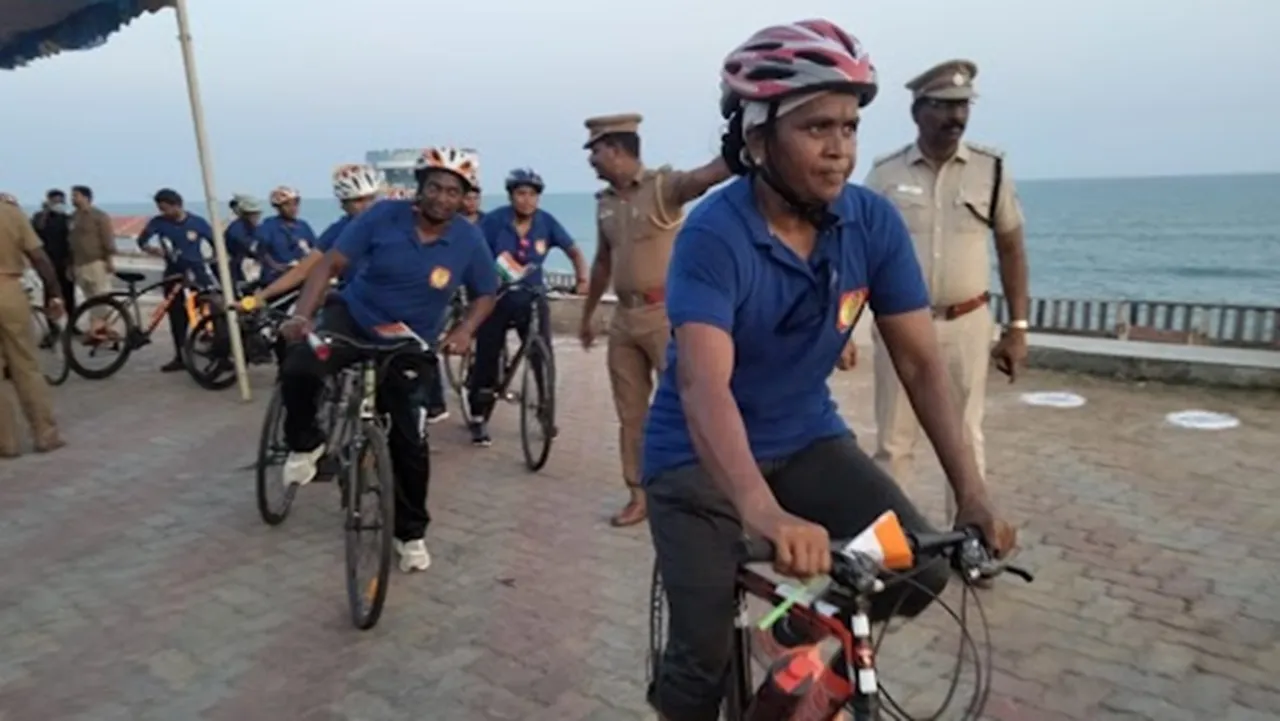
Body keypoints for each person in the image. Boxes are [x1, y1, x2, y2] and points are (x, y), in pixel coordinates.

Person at [641, 21, 1017, 721]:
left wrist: (973, 491)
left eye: (848, 125)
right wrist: (760, 509)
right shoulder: (712, 236)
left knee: (918, 565)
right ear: (755, 138)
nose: (840, 145)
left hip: (806, 437)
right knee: (702, 660)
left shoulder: (870, 222)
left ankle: (794, 638)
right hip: (695, 459)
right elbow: (702, 384)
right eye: (816, 126)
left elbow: (918, 359)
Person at [277, 146, 497, 573]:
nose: (442, 197)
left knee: (410, 443)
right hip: (352, 319)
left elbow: (486, 293)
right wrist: (304, 314)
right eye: (434, 187)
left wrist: (466, 329)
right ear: (419, 188)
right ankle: (306, 444)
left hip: (408, 343)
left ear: (465, 197)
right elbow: (329, 265)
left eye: (453, 191)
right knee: (302, 363)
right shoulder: (381, 217)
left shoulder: (469, 239)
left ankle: (410, 534)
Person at [863, 59, 1029, 520]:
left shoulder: (990, 170)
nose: (956, 117)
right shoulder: (885, 176)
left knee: (965, 435)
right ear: (918, 112)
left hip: (967, 324)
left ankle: (971, 538)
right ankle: (892, 546)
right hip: (901, 327)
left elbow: (1012, 248)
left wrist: (1018, 328)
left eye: (963, 107)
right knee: (894, 441)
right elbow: (857, 253)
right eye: (944, 107)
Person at [577, 113, 731, 527]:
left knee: (690, 403)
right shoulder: (605, 203)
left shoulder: (663, 188)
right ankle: (639, 494)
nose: (592, 160)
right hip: (624, 319)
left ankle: (705, 488)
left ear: (616, 149)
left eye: (596, 151)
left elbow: (708, 176)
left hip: (667, 314)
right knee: (631, 413)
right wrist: (589, 314)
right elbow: (603, 260)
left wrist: (743, 143)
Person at [464, 168, 590, 445]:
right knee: (487, 358)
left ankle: (545, 411)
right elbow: (474, 252)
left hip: (532, 297)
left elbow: (574, 251)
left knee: (541, 356)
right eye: (521, 193)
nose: (526, 200)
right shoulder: (495, 221)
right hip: (497, 300)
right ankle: (478, 416)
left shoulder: (546, 223)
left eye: (532, 194)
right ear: (511, 196)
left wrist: (582, 278)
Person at [250, 164, 385, 304]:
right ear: (343, 204)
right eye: (358, 200)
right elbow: (303, 269)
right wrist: (259, 298)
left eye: (371, 198)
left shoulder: (397, 220)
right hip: (360, 302)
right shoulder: (338, 230)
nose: (367, 206)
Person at [0, 196, 66, 457]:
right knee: (26, 365)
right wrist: (54, 291)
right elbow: (38, 257)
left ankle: (6, 442)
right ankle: (45, 434)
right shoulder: (10, 213)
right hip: (9, 290)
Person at [136, 188, 217, 372]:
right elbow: (142, 241)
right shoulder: (158, 223)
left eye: (165, 208)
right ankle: (180, 355)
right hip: (174, 275)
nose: (163, 213)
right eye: (160, 209)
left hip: (198, 275)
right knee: (177, 317)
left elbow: (216, 245)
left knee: (209, 312)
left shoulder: (197, 223)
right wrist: (154, 250)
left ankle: (217, 350)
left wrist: (211, 260)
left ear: (177, 205)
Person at [67, 185, 117, 338]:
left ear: (86, 197)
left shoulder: (99, 216)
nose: (72, 199)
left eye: (76, 195)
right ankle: (103, 329)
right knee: (90, 299)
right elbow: (70, 242)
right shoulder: (72, 217)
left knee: (101, 297)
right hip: (79, 263)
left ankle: (98, 328)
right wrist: (70, 265)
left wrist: (109, 259)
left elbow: (107, 238)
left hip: (96, 262)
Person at [255, 186, 318, 286]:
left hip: (302, 277)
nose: (293, 208)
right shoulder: (268, 226)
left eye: (295, 204)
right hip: (277, 279)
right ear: (278, 207)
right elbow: (262, 252)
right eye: (287, 205)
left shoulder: (303, 226)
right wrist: (279, 267)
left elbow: (315, 249)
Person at [31, 190, 76, 321]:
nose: (59, 204)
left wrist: (71, 262)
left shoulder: (67, 219)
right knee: (50, 294)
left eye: (61, 201)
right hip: (48, 262)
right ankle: (51, 325)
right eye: (56, 201)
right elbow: (35, 233)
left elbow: (72, 241)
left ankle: (72, 322)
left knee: (69, 294)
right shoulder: (40, 218)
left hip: (65, 261)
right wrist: (45, 211)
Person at [223, 193, 265, 286]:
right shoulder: (236, 229)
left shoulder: (256, 228)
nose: (257, 216)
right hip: (242, 271)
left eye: (257, 213)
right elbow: (252, 248)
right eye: (253, 214)